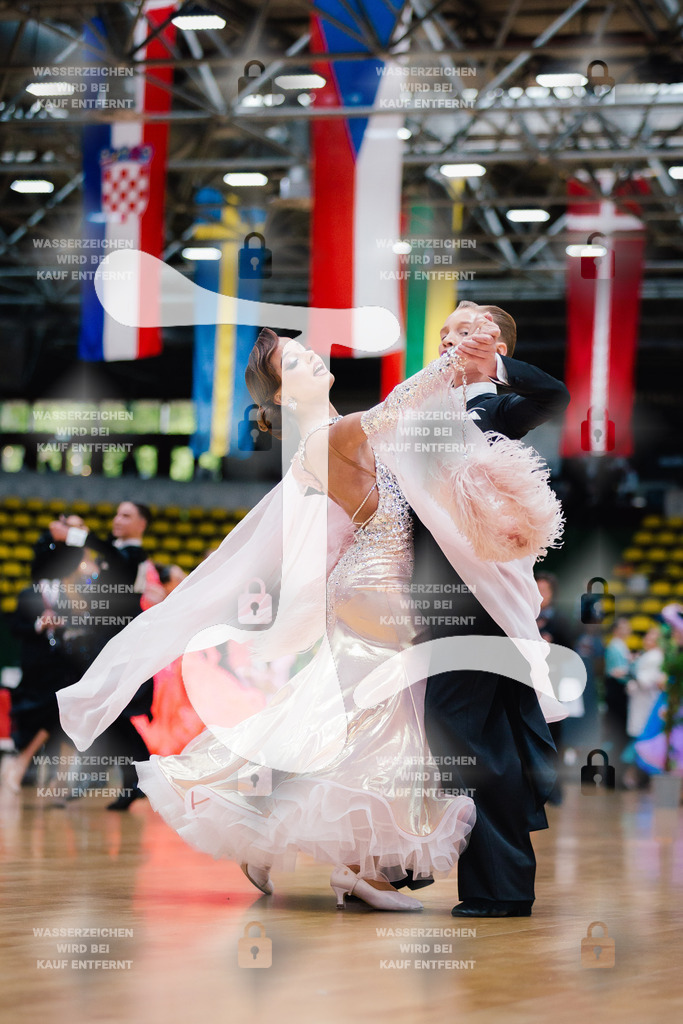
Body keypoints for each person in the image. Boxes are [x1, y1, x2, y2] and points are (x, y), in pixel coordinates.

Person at [57, 323, 564, 911]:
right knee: (367, 721)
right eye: (295, 362)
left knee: (364, 727)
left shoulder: (346, 435)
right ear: (279, 394)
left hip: (393, 587)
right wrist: (456, 362)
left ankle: (350, 865)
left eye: (309, 352)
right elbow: (396, 406)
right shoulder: (328, 437)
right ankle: (300, 840)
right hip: (372, 591)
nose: (314, 358)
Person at [407, 300, 571, 917]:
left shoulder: (500, 407)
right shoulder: (418, 411)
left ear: (497, 342)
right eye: (447, 333)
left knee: (459, 735)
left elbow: (553, 396)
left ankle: (445, 872)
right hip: (434, 596)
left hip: (480, 597)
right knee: (481, 738)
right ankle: (493, 884)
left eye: (469, 333)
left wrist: (495, 367)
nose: (453, 342)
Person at [49, 502, 154, 810]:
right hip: (101, 644)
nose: (117, 520)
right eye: (117, 513)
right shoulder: (114, 554)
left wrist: (78, 535)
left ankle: (134, 777)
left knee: (113, 713)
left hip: (121, 646)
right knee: (107, 714)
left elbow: (109, 556)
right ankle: (133, 778)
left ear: (142, 525)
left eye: (126, 515)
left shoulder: (133, 556)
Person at [603, 617, 633, 773]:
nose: (628, 629)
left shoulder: (621, 645)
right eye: (624, 626)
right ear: (616, 630)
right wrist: (633, 670)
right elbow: (616, 672)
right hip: (616, 692)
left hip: (618, 692)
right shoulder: (615, 646)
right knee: (617, 730)